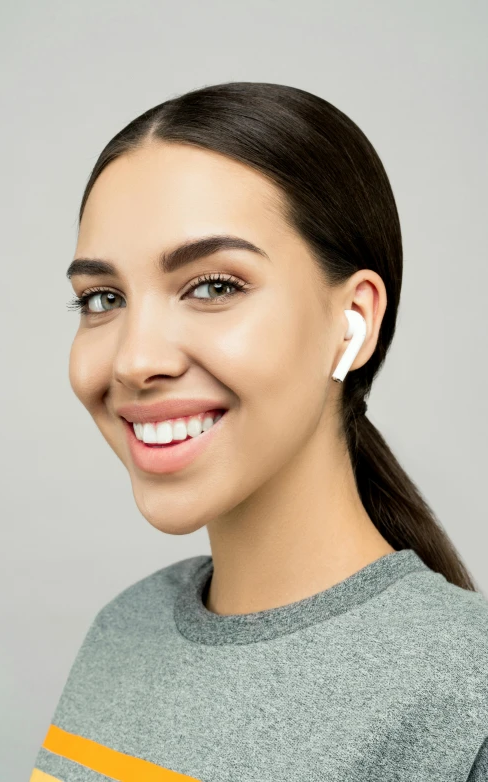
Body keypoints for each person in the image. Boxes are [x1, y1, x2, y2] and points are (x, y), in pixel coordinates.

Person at [29, 82, 488, 781]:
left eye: (213, 286)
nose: (134, 359)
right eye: (103, 299)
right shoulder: (125, 628)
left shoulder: (467, 693)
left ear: (353, 319)